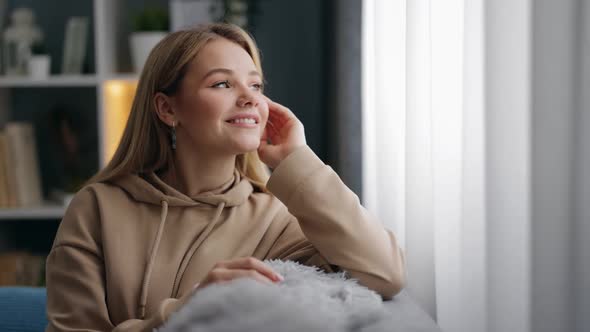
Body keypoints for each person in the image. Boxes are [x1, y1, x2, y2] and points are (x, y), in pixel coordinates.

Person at [45, 23, 406, 332]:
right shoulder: (96, 209)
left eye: (256, 86)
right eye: (222, 84)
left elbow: (385, 275)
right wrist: (180, 312)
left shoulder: (276, 218)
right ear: (167, 108)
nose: (250, 98)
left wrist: (298, 160)